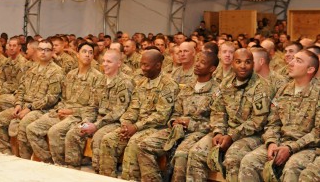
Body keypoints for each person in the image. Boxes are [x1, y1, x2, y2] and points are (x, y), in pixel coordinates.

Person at [186, 49, 271, 181]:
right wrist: (218, 132)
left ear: (253, 64)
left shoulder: (261, 86)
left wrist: (232, 136)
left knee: (233, 158)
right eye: (238, 62)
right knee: (196, 152)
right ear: (232, 64)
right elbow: (218, 111)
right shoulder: (226, 83)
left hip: (252, 135)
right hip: (225, 131)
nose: (243, 66)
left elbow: (258, 121)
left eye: (247, 62)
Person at [137, 51, 219, 182]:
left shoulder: (217, 91)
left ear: (212, 68)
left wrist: (189, 124)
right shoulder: (187, 87)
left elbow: (215, 122)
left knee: (180, 154)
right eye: (197, 60)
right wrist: (174, 121)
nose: (197, 64)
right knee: (144, 145)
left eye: (202, 62)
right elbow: (175, 112)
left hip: (199, 133)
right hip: (177, 130)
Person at [98, 49, 180, 180]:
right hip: (137, 126)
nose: (142, 68)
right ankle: (106, 178)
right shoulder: (141, 83)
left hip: (157, 128)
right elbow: (133, 108)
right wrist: (126, 124)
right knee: (109, 140)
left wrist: (135, 127)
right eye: (141, 64)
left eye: (146, 65)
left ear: (158, 65)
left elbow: (161, 116)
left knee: (134, 144)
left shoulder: (168, 85)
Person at [239, 49, 320, 181]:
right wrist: (271, 143)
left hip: (307, 147)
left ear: (310, 69)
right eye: (293, 59)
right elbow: (273, 122)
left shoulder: (317, 92)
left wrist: (290, 148)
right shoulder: (284, 89)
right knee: (249, 161)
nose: (291, 63)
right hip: (280, 142)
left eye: (298, 61)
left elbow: (317, 133)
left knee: (291, 167)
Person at [26, 42, 103, 164]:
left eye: (90, 52)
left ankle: (62, 166)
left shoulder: (97, 77)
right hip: (63, 113)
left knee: (54, 132)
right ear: (77, 54)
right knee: (32, 129)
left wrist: (72, 111)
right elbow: (63, 97)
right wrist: (61, 109)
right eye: (84, 52)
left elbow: (94, 107)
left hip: (79, 116)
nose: (87, 55)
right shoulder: (71, 74)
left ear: (93, 56)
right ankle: (50, 162)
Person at [0, 40, 63, 156]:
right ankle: (6, 153)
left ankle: (25, 159)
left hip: (42, 110)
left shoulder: (56, 72)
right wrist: (18, 104)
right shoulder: (31, 69)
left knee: (24, 124)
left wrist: (29, 107)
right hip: (24, 106)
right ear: (37, 51)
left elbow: (52, 98)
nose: (43, 52)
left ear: (52, 52)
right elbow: (21, 89)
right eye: (41, 49)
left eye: (47, 50)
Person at [64, 49, 133, 171]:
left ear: (119, 64)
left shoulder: (125, 82)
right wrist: (86, 122)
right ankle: (72, 171)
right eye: (104, 61)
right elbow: (92, 106)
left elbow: (119, 111)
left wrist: (96, 126)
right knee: (74, 133)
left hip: (114, 122)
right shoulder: (101, 80)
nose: (105, 64)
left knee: (98, 137)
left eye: (109, 62)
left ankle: (98, 172)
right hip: (97, 120)